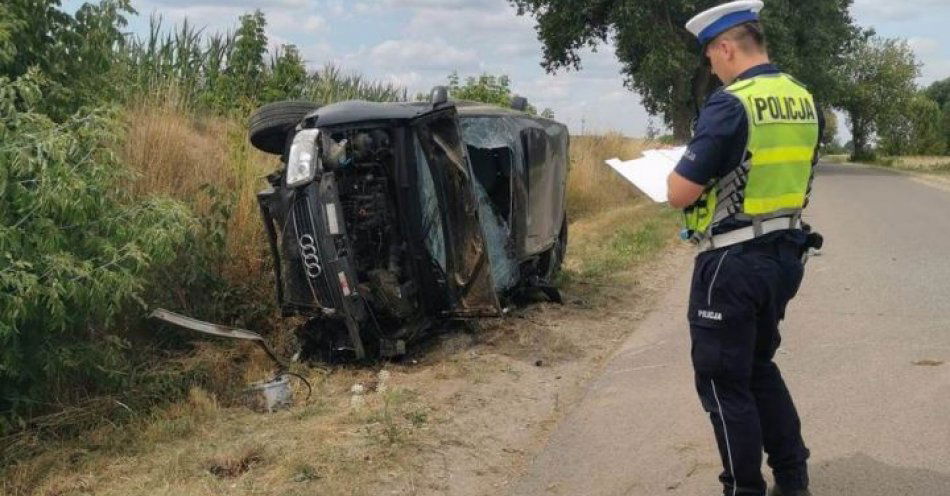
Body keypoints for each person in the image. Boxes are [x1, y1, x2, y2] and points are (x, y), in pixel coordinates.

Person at [666, 1, 824, 495]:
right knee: (758, 369)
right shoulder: (803, 97)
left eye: (712, 58)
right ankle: (793, 480)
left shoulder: (732, 102)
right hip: (784, 253)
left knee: (722, 383)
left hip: (733, 261)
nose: (712, 69)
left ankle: (744, 488)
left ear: (726, 47)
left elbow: (679, 192)